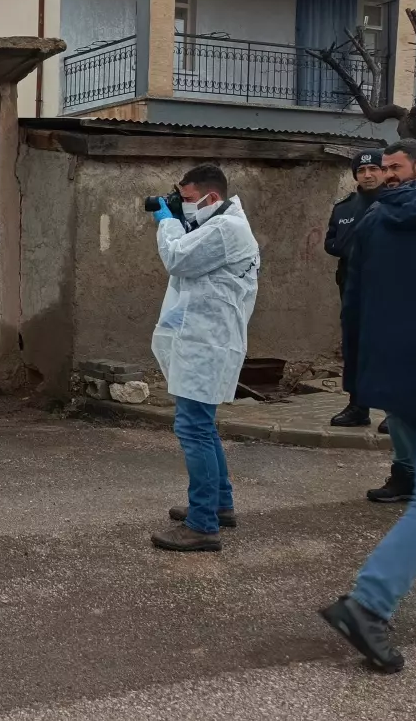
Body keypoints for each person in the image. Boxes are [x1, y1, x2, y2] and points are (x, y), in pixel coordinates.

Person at [320, 123, 416, 673]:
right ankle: (368, 604)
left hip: (395, 379)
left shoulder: (379, 216)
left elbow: (355, 300)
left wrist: (362, 378)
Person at [149, 163, 261, 552]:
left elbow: (177, 258)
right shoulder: (221, 224)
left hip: (208, 343)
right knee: (203, 427)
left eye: (188, 198)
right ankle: (219, 505)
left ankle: (202, 524)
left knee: (193, 428)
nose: (182, 204)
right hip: (206, 340)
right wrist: (179, 219)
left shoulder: (225, 229)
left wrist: (167, 221)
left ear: (211, 197)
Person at [361, 139, 416, 504]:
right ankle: (405, 474)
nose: (387, 175)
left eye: (394, 168)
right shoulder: (381, 210)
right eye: (385, 168)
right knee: (396, 408)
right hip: (390, 323)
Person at [325, 149, 384, 428]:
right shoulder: (344, 207)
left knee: (389, 346)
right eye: (361, 170)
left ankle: (396, 411)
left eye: (374, 169)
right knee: (353, 346)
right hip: (352, 286)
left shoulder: (395, 202)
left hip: (387, 287)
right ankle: (358, 406)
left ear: (384, 172)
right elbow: (331, 242)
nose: (367, 175)